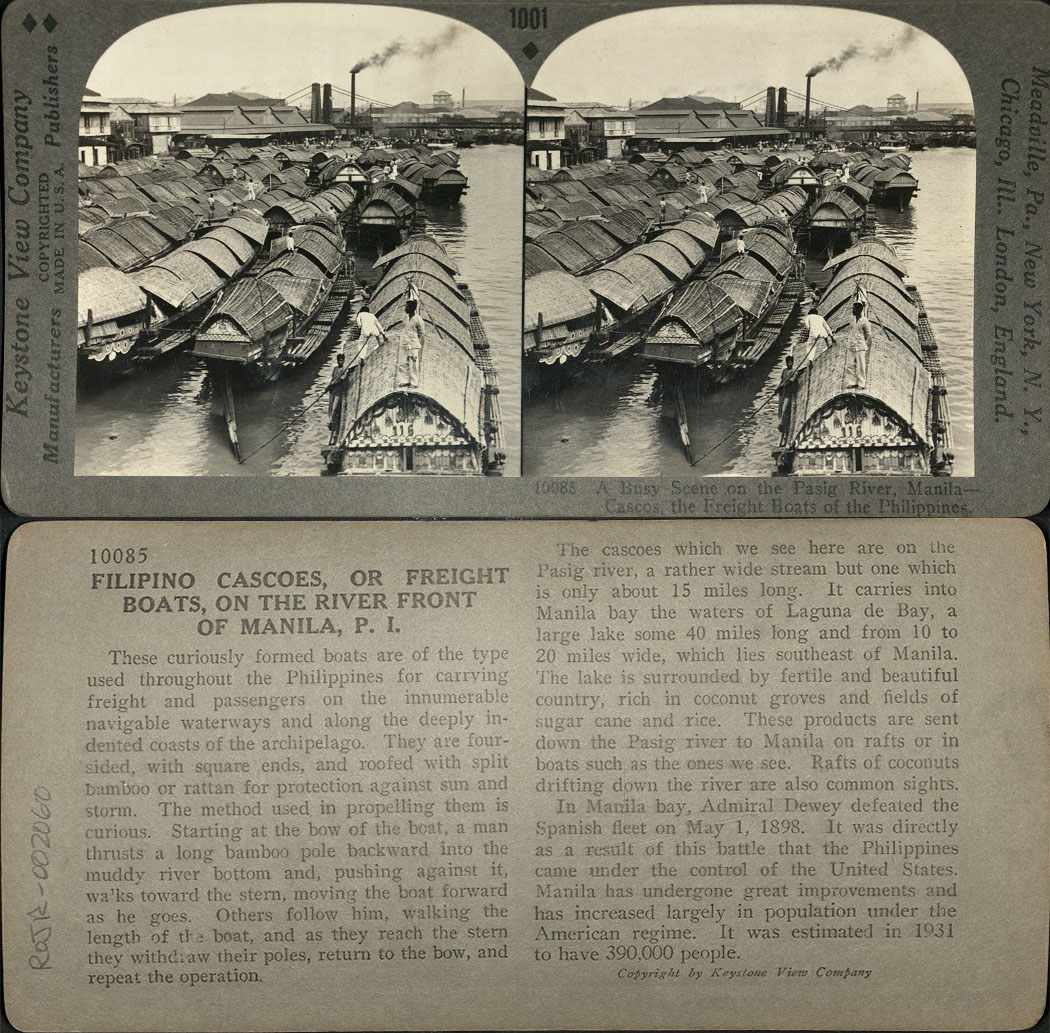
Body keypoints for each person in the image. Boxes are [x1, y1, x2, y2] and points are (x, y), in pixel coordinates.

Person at [844, 301, 873, 390]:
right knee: (849, 365)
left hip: (860, 346)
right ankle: (852, 382)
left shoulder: (865, 321)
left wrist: (865, 345)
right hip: (851, 344)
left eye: (854, 309)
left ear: (859, 310)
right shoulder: (851, 319)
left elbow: (869, 335)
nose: (853, 310)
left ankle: (861, 384)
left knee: (861, 365)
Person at [777, 355, 798, 438]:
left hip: (788, 393)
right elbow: (782, 380)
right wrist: (778, 388)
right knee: (781, 409)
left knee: (784, 410)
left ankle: (783, 425)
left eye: (790, 362)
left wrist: (783, 385)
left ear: (792, 363)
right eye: (788, 362)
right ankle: (782, 424)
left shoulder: (794, 372)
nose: (789, 364)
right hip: (783, 392)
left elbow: (790, 381)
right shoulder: (784, 371)